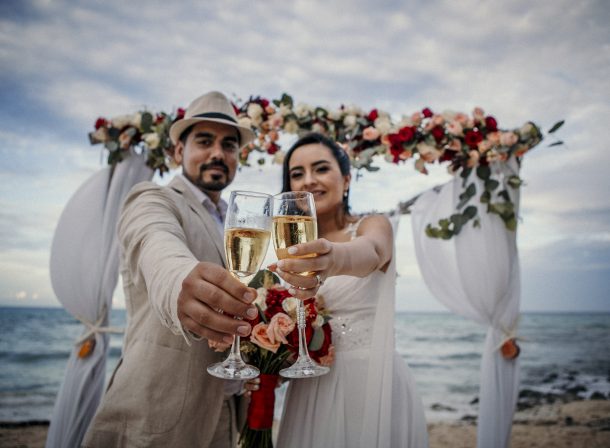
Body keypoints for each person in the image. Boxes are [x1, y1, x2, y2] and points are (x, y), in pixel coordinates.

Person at [83, 91, 260, 448]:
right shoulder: (152, 198)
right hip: (157, 417)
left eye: (229, 145)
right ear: (179, 152)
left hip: (225, 417)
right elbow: (155, 243)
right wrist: (179, 279)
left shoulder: (236, 222)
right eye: (204, 141)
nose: (217, 153)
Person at [265, 132, 429, 447]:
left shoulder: (372, 225)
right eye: (297, 174)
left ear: (347, 179)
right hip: (310, 388)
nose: (308, 180)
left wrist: (334, 258)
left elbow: (373, 252)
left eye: (321, 169)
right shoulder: (290, 248)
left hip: (371, 383)